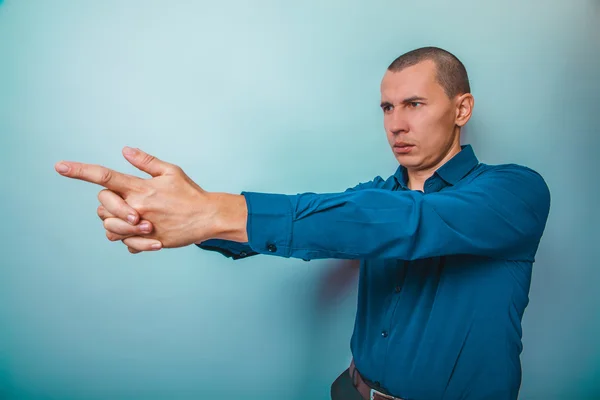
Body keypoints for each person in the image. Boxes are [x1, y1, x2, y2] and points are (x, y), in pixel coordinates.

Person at [55, 46, 551, 400]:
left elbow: (403, 223)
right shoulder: (376, 195)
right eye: (387, 107)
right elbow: (314, 219)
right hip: (351, 391)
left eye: (415, 104)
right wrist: (171, 217)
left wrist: (213, 212)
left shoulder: (514, 192)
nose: (396, 124)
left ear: (461, 108)